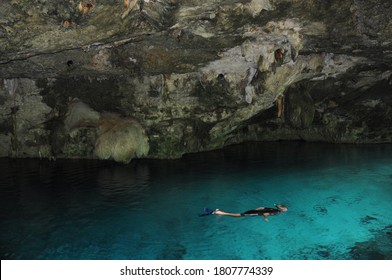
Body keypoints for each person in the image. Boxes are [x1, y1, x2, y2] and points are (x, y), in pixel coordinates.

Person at [213, 204, 288, 222]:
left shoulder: (272, 208)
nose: (285, 210)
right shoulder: (276, 212)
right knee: (239, 215)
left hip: (253, 211)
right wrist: (265, 218)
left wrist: (255, 210)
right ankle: (219, 212)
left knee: (241, 216)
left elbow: (261, 207)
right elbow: (265, 214)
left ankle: (220, 213)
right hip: (254, 213)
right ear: (281, 210)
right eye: (284, 209)